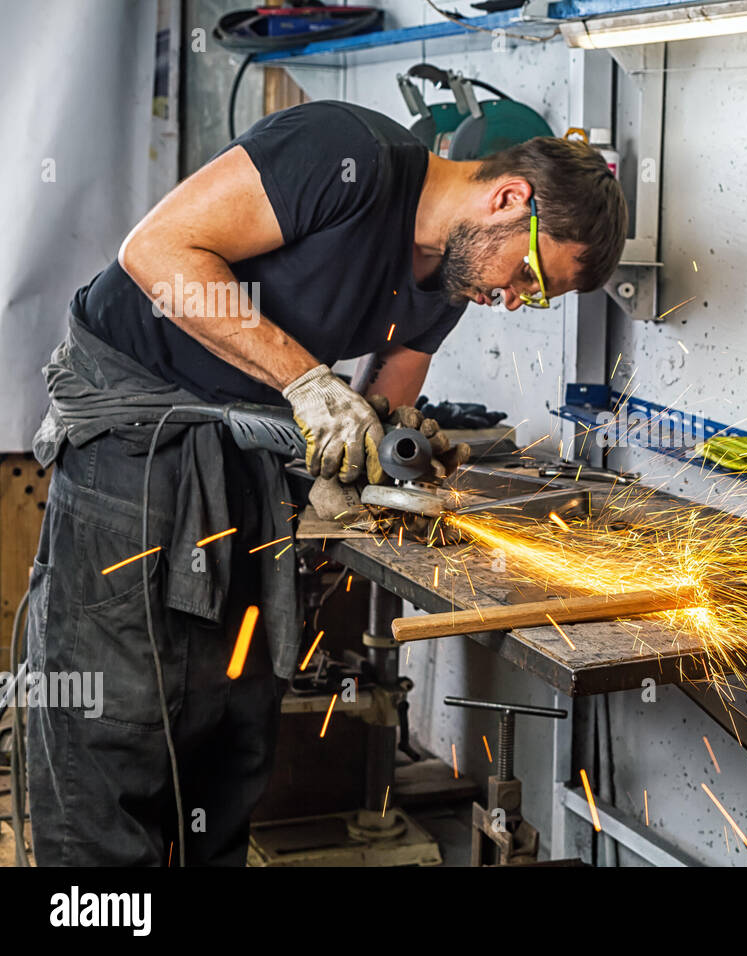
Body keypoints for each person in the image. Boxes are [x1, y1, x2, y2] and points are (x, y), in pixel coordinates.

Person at [23, 99, 628, 865]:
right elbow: (160, 251)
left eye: (535, 296)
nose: (515, 300)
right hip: (136, 445)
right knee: (116, 726)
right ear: (510, 200)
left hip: (245, 458)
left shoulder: (450, 276)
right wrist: (308, 383)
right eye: (531, 279)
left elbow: (391, 393)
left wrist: (392, 452)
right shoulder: (344, 153)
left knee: (232, 721)